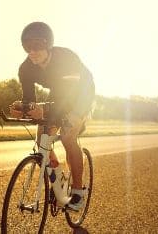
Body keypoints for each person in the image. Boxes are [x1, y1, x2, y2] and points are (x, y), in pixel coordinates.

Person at [9, 21, 95, 211]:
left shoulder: (66, 58)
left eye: (37, 45)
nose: (32, 51)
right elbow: (30, 99)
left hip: (81, 93)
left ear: (48, 44)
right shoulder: (25, 69)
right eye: (27, 47)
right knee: (42, 140)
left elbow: (70, 97)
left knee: (67, 135)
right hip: (58, 94)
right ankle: (58, 180)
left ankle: (78, 191)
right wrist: (23, 108)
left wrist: (46, 110)